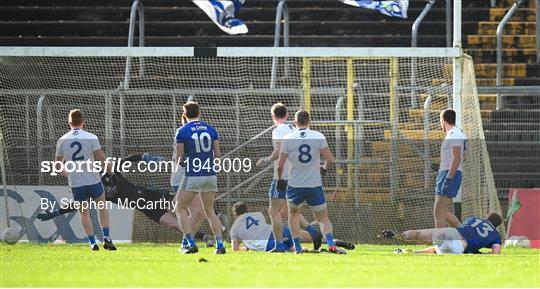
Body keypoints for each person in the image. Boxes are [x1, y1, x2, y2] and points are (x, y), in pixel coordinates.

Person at [38, 154, 216, 247]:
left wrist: (146, 158)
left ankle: (212, 213)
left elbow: (128, 160)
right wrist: (54, 213)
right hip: (145, 208)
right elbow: (77, 204)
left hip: (148, 195)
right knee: (173, 224)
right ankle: (204, 237)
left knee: (181, 207)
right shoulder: (94, 189)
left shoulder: (108, 171)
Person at [277, 110, 346, 254]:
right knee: (323, 218)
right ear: (309, 121)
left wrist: (280, 179)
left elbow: (280, 165)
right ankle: (331, 245)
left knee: (293, 215)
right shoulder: (318, 136)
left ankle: (297, 248)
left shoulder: (288, 138)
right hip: (314, 185)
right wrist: (323, 170)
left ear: (295, 122)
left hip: (295, 185)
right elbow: (330, 160)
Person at [54, 109, 116, 251]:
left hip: (76, 182)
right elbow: (101, 157)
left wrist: (67, 174)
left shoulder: (62, 140)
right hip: (93, 179)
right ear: (83, 122)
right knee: (102, 206)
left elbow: (57, 164)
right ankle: (106, 238)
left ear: (69, 123)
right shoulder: (91, 137)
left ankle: (93, 243)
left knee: (84, 212)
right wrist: (111, 173)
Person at [175, 101, 226, 254]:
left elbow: (179, 158)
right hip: (210, 175)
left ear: (184, 115)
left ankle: (189, 243)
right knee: (209, 211)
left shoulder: (182, 131)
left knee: (180, 208)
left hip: (193, 174)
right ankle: (220, 245)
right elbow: (217, 155)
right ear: (199, 113)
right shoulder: (211, 130)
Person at [379, 213, 503, 254]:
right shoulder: (496, 236)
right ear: (496, 226)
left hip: (451, 231)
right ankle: (413, 252)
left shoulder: (474, 218)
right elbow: (495, 253)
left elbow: (461, 227)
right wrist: (479, 254)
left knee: (418, 234)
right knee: (439, 250)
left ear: (486, 217)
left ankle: (398, 235)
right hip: (461, 244)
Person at [229, 202, 322, 252]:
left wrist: (245, 247)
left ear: (235, 215)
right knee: (304, 236)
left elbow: (235, 249)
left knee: (291, 250)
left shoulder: (233, 229)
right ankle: (330, 240)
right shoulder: (257, 214)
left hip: (267, 245)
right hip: (276, 231)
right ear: (247, 210)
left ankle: (303, 249)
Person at [434, 109, 468, 228]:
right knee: (444, 212)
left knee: (438, 211)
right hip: (450, 172)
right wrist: (442, 166)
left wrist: (448, 177)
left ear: (443, 121)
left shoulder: (453, 134)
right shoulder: (460, 133)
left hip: (449, 175)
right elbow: (463, 156)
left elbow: (457, 157)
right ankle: (464, 235)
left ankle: (440, 243)